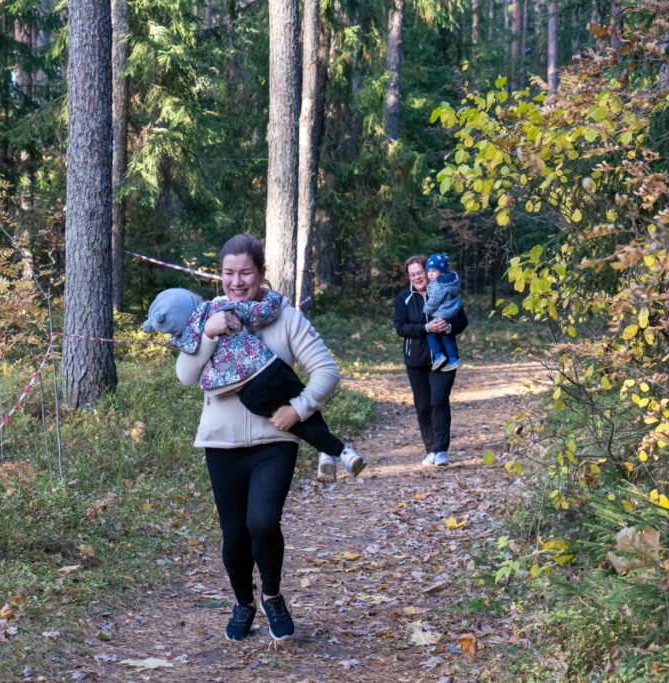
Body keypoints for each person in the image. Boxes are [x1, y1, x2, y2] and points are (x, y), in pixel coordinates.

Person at [175, 234, 344, 642]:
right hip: (221, 443)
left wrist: (298, 410)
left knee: (262, 522)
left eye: (245, 272)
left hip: (274, 441)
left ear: (261, 273)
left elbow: (327, 370)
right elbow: (186, 375)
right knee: (234, 534)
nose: (236, 282)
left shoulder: (286, 318)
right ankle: (243, 604)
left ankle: (271, 596)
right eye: (228, 273)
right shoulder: (208, 314)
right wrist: (209, 334)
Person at [143, 287, 364, 479]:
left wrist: (206, 335)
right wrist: (274, 298)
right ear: (193, 300)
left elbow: (189, 363)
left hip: (246, 394)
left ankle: (329, 450)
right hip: (267, 369)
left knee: (294, 418)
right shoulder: (220, 309)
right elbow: (259, 311)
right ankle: (336, 451)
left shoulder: (186, 338)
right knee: (298, 401)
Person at [392, 254, 468, 467]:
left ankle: (441, 450)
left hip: (443, 359)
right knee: (423, 406)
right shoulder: (404, 298)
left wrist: (449, 326)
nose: (417, 277)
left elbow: (462, 320)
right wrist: (426, 328)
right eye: (412, 274)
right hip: (416, 360)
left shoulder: (445, 291)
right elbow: (400, 327)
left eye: (420, 272)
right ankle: (431, 449)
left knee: (439, 400)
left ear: (429, 272)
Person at [423, 253, 463, 372]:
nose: (430, 274)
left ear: (442, 271)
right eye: (428, 270)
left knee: (431, 334)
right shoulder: (452, 281)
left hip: (442, 313)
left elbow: (435, 300)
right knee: (447, 336)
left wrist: (427, 310)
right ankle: (453, 359)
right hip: (451, 312)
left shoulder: (438, 285)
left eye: (434, 271)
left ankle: (439, 355)